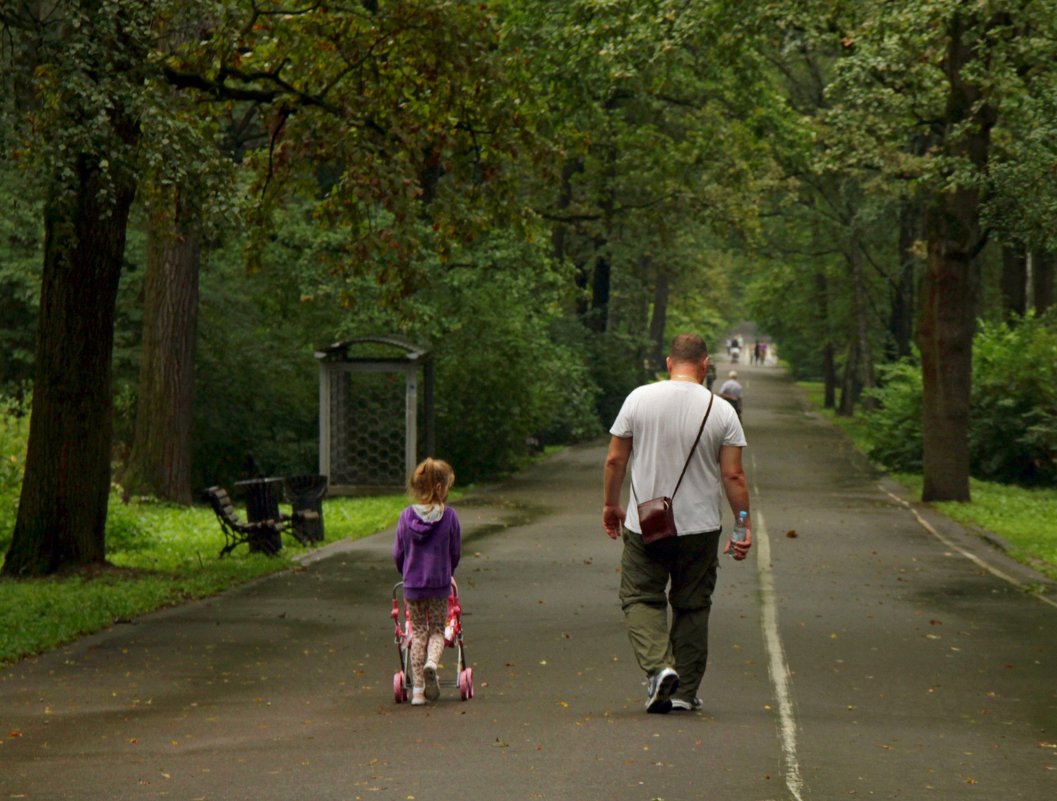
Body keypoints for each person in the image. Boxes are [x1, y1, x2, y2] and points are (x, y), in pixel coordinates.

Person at [603, 334, 751, 714]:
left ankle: (659, 668)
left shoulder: (638, 398)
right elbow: (733, 477)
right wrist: (742, 525)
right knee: (693, 604)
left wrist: (611, 505)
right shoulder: (722, 411)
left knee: (640, 596)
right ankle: (684, 691)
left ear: (670, 363)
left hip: (645, 524)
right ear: (705, 365)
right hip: (700, 527)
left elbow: (615, 460)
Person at [393, 458, 462, 706]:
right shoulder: (450, 517)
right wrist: (448, 570)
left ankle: (418, 691)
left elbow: (398, 553)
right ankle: (432, 663)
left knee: (417, 632)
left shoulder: (405, 517)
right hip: (439, 584)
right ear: (441, 488)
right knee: (436, 631)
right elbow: (455, 552)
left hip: (412, 585)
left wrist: (406, 572)